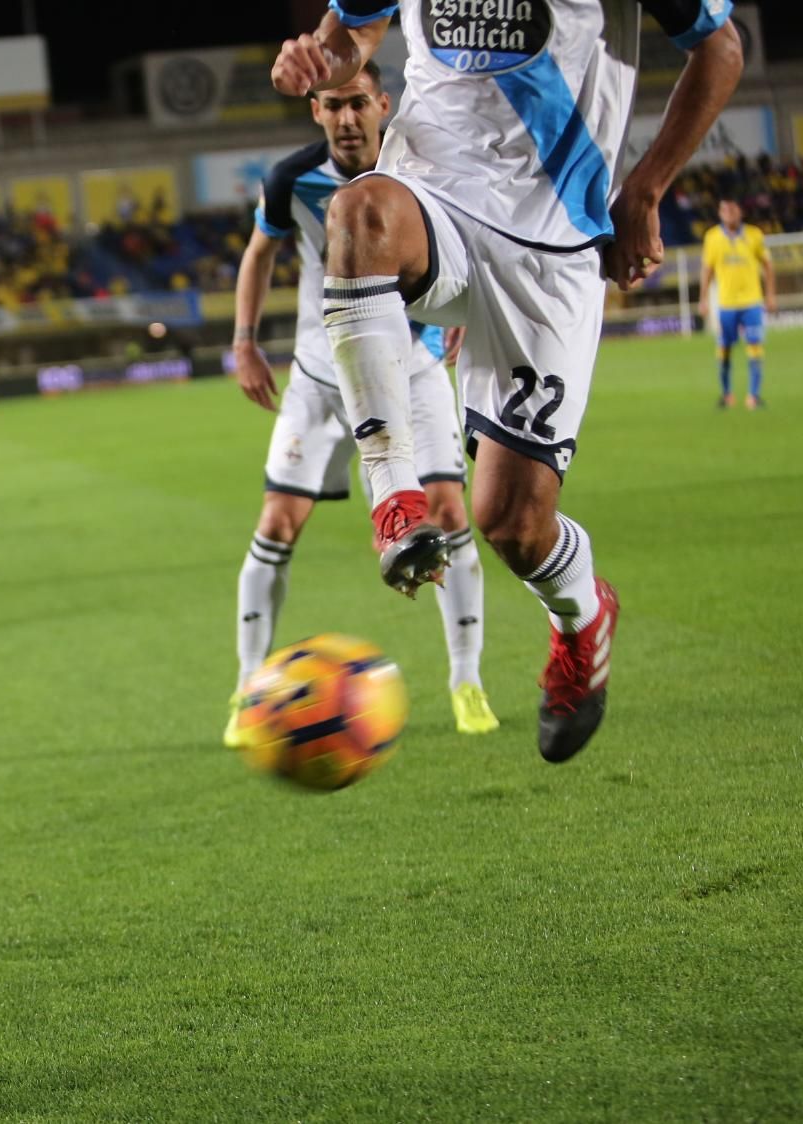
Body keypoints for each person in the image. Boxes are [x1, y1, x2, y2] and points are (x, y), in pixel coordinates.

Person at [271, 0, 743, 762]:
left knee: (512, 526)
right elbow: (351, 37)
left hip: (551, 247)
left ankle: (582, 618)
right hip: (436, 198)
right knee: (358, 211)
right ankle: (395, 501)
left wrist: (646, 189)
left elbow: (719, 48)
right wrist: (315, 61)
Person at [227, 60, 497, 745]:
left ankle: (467, 680)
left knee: (448, 514)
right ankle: (247, 690)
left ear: (382, 103)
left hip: (415, 369)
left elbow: (468, 240)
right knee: (278, 525)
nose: (346, 118)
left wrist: (468, 305)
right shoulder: (292, 179)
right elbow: (259, 253)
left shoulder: (424, 167)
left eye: (357, 103)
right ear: (315, 111)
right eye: (331, 106)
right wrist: (245, 341)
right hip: (322, 377)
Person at [699, 196, 776, 409]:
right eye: (724, 210)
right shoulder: (712, 237)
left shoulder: (754, 235)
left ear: (740, 211)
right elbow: (707, 270)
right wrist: (703, 298)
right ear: (719, 213)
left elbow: (768, 266)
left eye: (732, 210)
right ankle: (727, 395)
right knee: (724, 349)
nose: (729, 214)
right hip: (726, 304)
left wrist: (770, 295)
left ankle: (753, 396)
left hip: (752, 302)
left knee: (755, 347)